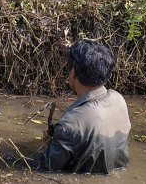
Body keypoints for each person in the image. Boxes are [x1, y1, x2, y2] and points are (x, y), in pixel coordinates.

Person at [41, 39, 131, 173]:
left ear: (73, 73)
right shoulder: (118, 99)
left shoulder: (70, 124)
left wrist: (46, 145)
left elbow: (47, 168)